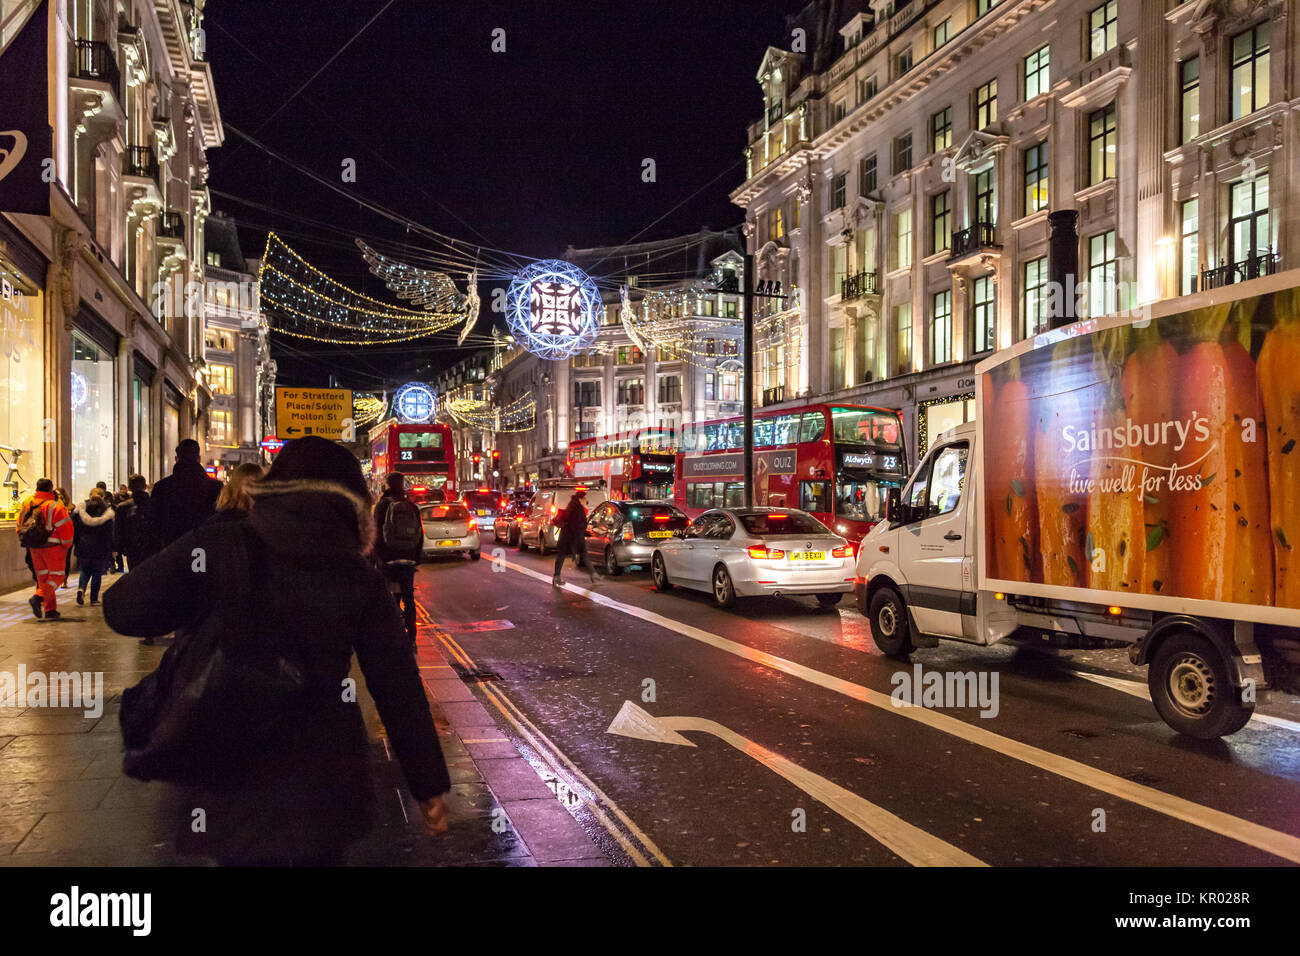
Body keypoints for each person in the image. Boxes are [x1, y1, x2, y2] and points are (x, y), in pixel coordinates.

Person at [102, 435, 450, 865]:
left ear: (273, 488)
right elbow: (396, 684)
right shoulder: (358, 576)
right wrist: (428, 782)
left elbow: (123, 609)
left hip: (233, 767)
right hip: (325, 786)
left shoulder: (222, 545)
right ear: (354, 506)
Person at [372, 472, 424, 646]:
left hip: (389, 559)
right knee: (408, 597)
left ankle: (393, 634)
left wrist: (378, 558)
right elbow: (420, 535)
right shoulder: (411, 506)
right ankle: (412, 635)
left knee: (389, 598)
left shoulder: (382, 506)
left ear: (387, 485)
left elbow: (376, 534)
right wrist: (416, 558)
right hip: (408, 559)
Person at [17, 478, 74, 620]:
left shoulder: (26, 505)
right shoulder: (55, 506)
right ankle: (38, 598)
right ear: (50, 489)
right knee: (57, 576)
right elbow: (66, 528)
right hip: (53, 547)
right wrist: (66, 546)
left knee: (43, 579)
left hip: (34, 547)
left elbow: (19, 525)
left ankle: (50, 610)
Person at [150, 438, 221, 548]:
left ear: (176, 459)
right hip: (204, 550)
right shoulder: (215, 487)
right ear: (198, 458)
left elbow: (154, 525)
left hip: (171, 550)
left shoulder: (162, 487)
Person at [72, 487, 115, 606]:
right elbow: (110, 532)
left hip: (83, 544)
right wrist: (112, 548)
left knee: (85, 570)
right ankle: (94, 599)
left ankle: (81, 589)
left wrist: (76, 543)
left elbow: (74, 528)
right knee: (97, 572)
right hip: (100, 545)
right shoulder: (106, 510)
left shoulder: (81, 508)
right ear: (103, 496)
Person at [552, 488, 597, 588]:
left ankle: (556, 577)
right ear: (580, 499)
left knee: (562, 556)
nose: (586, 501)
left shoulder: (572, 506)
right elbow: (577, 524)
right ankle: (593, 575)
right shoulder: (578, 509)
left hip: (567, 536)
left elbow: (574, 523)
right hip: (572, 537)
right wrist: (586, 529)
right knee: (582, 554)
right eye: (585, 499)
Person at [114, 474, 157, 571]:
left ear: (129, 488)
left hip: (132, 548)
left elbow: (118, 530)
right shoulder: (154, 504)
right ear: (145, 486)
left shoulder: (122, 507)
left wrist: (119, 548)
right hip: (151, 546)